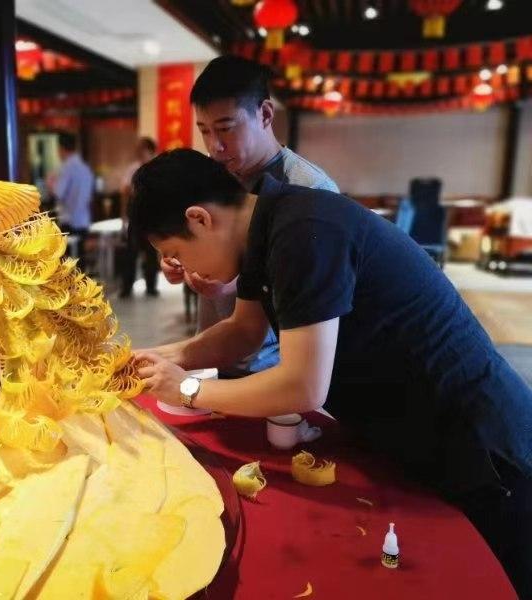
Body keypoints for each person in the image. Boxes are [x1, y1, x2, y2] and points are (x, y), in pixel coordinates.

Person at [129, 149, 532, 598]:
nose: (185, 270)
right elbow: (242, 333)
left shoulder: (303, 231)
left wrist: (187, 388)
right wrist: (152, 358)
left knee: (497, 575)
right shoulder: (262, 230)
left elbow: (302, 385)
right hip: (413, 432)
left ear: (200, 219)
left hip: (477, 441)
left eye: (177, 254)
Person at [161, 55, 337, 374]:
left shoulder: (311, 191)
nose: (215, 146)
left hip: (276, 363)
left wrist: (230, 284)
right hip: (218, 348)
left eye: (225, 129)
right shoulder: (212, 177)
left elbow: (312, 294)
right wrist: (180, 259)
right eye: (204, 131)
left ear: (265, 114)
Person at [119, 137, 159, 298]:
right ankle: (127, 287)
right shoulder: (133, 169)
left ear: (150, 151)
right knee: (130, 253)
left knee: (151, 253)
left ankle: (151, 286)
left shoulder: (157, 169)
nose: (139, 153)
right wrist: (123, 216)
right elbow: (124, 192)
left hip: (152, 217)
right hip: (135, 216)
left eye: (142, 150)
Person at [48, 131, 94, 263]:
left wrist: (50, 182)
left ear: (61, 149)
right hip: (83, 221)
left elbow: (58, 192)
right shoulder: (85, 168)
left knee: (67, 264)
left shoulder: (66, 168)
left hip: (69, 221)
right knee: (81, 261)